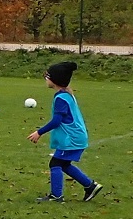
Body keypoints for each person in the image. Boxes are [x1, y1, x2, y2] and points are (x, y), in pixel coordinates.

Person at [27, 61, 103, 203]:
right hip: (76, 137)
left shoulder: (61, 98)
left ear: (55, 80)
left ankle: (56, 196)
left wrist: (39, 132)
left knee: (55, 163)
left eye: (47, 76)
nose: (46, 79)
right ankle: (90, 186)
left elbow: (57, 121)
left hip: (71, 139)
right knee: (64, 164)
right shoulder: (67, 95)